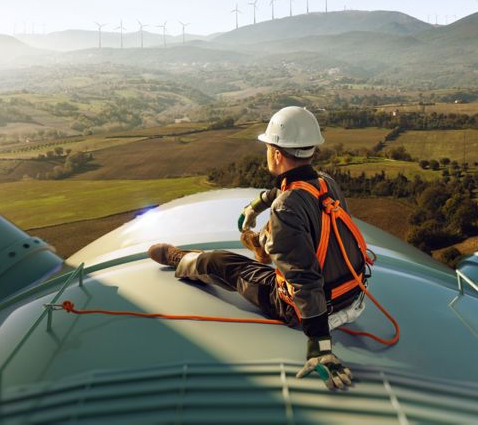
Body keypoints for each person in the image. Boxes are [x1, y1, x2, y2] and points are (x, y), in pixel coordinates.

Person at [148, 106, 368, 391]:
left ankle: (181, 259)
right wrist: (256, 205)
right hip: (353, 296)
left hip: (315, 311)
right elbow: (288, 189)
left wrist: (319, 346)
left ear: (277, 154)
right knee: (276, 244)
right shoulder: (326, 182)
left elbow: (304, 279)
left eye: (268, 147)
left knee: (222, 263)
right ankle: (249, 251)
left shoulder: (287, 208)